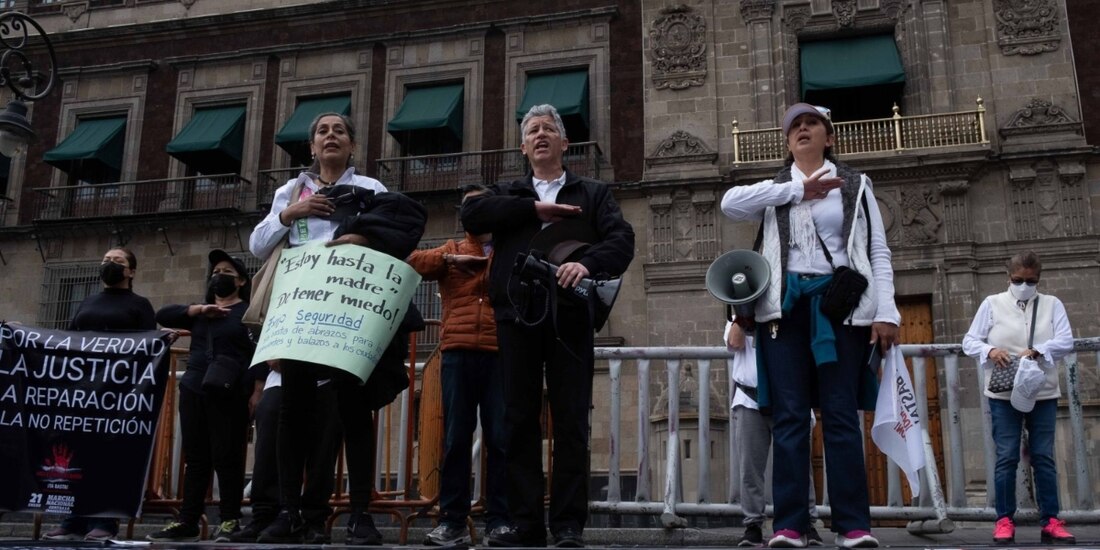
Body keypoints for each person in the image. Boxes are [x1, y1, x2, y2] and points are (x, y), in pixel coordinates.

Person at [719, 103, 900, 549]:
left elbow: (877, 250)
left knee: (840, 416)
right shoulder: (776, 187)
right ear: (787, 142)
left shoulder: (856, 184)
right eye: (795, 127)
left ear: (829, 136)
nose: (802, 130)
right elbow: (728, 204)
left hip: (840, 308)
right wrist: (799, 193)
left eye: (811, 124)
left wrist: (887, 312)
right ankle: (790, 525)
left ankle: (854, 525)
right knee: (791, 417)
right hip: (783, 311)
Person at [461, 104, 635, 548]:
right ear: (523, 147)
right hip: (515, 315)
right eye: (532, 130)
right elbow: (472, 218)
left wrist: (586, 263)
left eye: (548, 129)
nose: (540, 134)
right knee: (517, 419)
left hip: (570, 317)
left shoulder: (593, 192)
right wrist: (532, 209)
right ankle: (525, 524)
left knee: (572, 419)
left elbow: (622, 241)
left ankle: (569, 526)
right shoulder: (508, 192)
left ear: (564, 143)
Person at [249, 112, 426, 545]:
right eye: (322, 132)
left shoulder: (371, 190)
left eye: (340, 131)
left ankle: (359, 515)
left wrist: (361, 239)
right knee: (293, 413)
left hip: (351, 318)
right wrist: (292, 213)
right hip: (300, 318)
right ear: (311, 147)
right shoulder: (288, 193)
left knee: (353, 414)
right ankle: (291, 513)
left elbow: (397, 233)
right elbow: (257, 246)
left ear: (351, 147)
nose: (331, 136)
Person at [407, 184, 507, 546]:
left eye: (482, 205)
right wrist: (451, 261)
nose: (475, 212)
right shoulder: (450, 250)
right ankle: (452, 519)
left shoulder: (509, 249)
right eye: (468, 207)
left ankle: (500, 519)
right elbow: (412, 261)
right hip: (457, 352)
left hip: (500, 354)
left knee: (500, 438)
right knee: (455, 438)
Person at [961, 251, 1076, 545]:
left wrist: (1038, 350)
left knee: (1043, 457)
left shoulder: (1052, 304)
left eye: (1030, 281)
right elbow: (970, 340)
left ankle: (1051, 519)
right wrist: (990, 351)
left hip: (1043, 391)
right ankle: (1004, 520)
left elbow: (1065, 340)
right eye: (1018, 280)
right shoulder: (992, 304)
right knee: (1007, 457)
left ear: (1039, 279)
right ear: (1007, 276)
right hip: (1004, 393)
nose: (1024, 285)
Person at [42, 247, 156, 542]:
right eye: (106, 260)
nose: (111, 264)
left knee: (108, 455)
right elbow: (67, 341)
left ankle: (104, 520)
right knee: (79, 452)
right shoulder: (87, 302)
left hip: (117, 394)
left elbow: (148, 346)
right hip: (83, 393)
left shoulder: (139, 305)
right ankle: (73, 520)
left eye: (118, 261)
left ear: (131, 272)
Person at [146, 250, 256, 542]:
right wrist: (197, 310)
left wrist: (253, 391)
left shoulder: (249, 313)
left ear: (241, 281)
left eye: (227, 272)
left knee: (227, 457)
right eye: (216, 271)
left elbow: (256, 355)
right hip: (194, 389)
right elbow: (162, 315)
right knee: (195, 460)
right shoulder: (200, 313)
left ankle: (230, 519)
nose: (219, 275)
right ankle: (188, 520)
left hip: (229, 393)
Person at [724, 319, 822, 547]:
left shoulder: (790, 314)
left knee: (798, 464)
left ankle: (806, 522)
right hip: (749, 399)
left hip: (788, 400)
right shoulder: (737, 318)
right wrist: (743, 313)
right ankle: (753, 526)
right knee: (750, 468)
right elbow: (735, 341)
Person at [231, 370, 342, 544]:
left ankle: (313, 519)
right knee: (268, 446)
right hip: (280, 377)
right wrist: (258, 386)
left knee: (322, 451)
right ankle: (266, 514)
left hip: (326, 376)